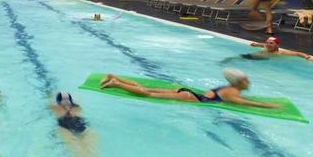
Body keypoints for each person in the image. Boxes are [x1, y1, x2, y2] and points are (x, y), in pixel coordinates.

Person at [100, 69, 280, 108]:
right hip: (192, 97)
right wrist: (268, 105)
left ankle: (114, 77)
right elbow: (244, 103)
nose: (248, 82)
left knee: (146, 88)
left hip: (188, 93)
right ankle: (116, 83)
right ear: (239, 82)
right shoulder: (233, 92)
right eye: (246, 80)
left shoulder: (228, 86)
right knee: (147, 94)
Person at [50, 93, 99, 157]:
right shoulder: (56, 108)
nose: (66, 101)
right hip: (66, 130)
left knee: (91, 154)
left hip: (83, 129)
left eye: (68, 99)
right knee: (79, 154)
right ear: (59, 102)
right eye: (63, 99)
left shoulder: (76, 107)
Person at [247, 36, 313, 61]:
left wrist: (307, 57)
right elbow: (262, 44)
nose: (268, 44)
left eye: (271, 43)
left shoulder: (281, 52)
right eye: (267, 42)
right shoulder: (266, 46)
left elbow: (297, 53)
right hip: (259, 58)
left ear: (277, 45)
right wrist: (256, 44)